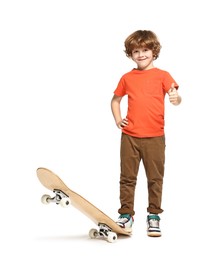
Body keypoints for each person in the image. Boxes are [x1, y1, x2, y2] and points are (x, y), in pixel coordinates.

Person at [111, 30, 181, 237]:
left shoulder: (163, 75)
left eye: (145, 50)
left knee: (155, 178)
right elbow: (115, 100)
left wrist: (176, 98)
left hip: (155, 137)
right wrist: (118, 119)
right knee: (127, 178)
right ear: (130, 54)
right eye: (136, 51)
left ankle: (154, 216)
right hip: (130, 137)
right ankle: (126, 215)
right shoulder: (127, 77)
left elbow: (176, 96)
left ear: (154, 51)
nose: (141, 54)